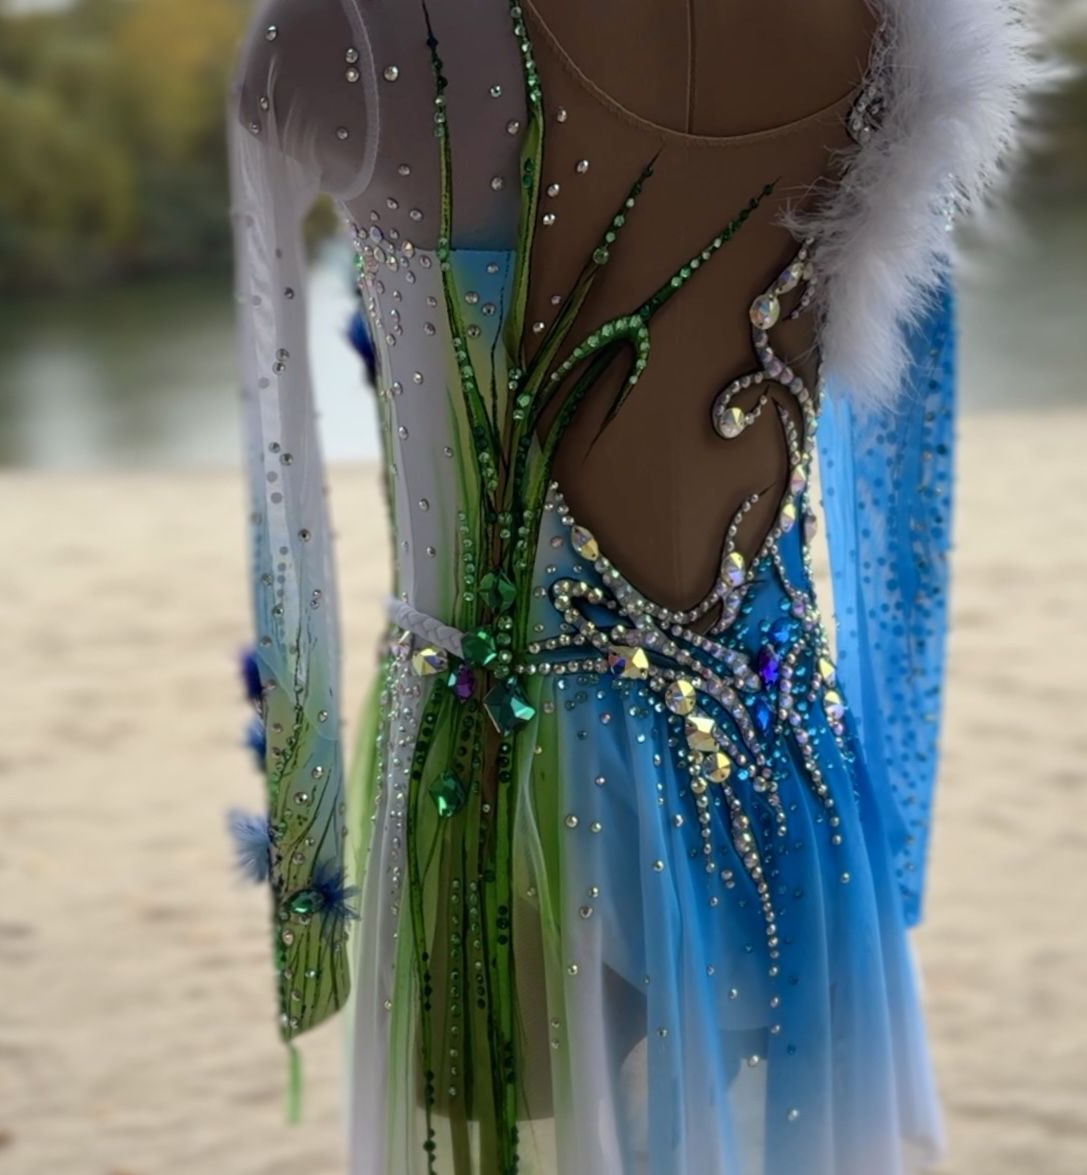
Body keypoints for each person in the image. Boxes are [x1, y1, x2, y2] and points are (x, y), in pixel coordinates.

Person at [226, 2, 1038, 1171]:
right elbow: (896, 505)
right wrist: (891, 810)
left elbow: (283, 469)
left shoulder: (352, 27)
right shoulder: (889, 29)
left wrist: (306, 890)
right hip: (772, 760)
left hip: (498, 779)